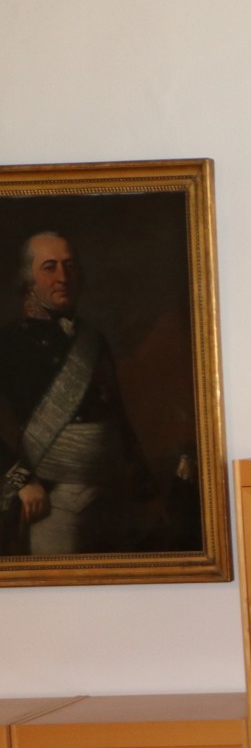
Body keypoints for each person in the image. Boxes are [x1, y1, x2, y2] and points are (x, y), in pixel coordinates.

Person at [0, 230, 147, 554]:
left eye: (70, 266)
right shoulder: (8, 344)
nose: (63, 277)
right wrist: (21, 481)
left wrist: (144, 487)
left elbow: (118, 415)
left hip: (112, 494)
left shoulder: (93, 339)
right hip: (52, 500)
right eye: (49, 267)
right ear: (29, 279)